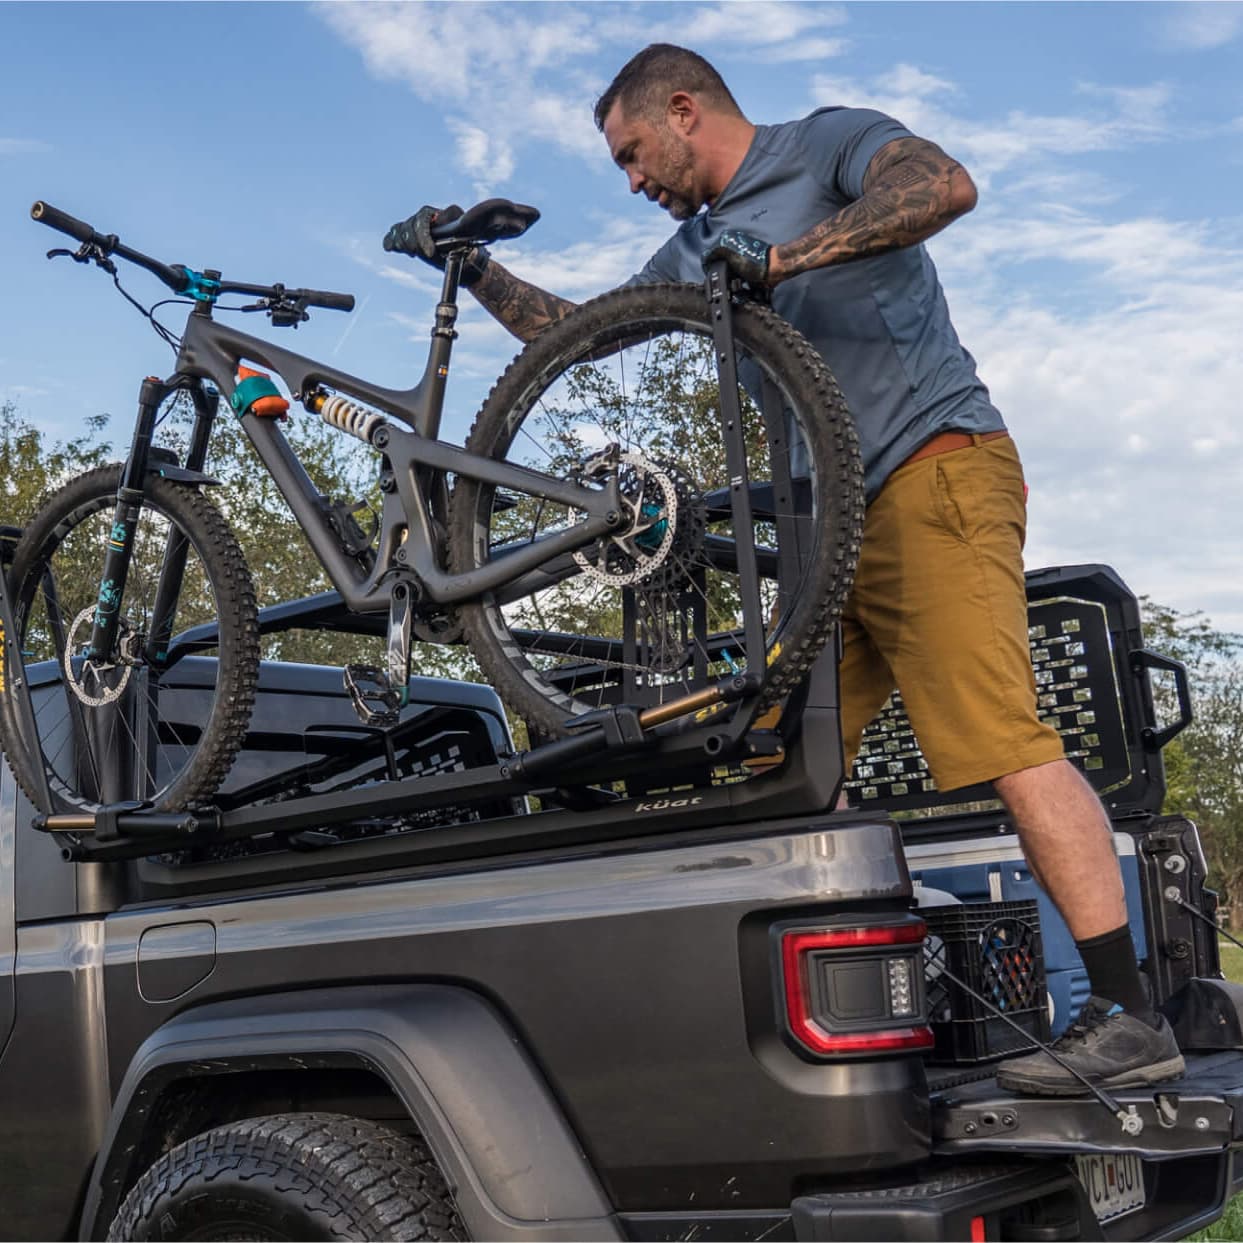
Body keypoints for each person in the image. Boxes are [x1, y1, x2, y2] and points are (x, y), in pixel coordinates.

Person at [383, 43, 1183, 1096]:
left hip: (933, 473)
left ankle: (1129, 1016)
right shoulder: (692, 245)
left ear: (682, 110)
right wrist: (471, 267)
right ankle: (848, 1019)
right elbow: (579, 337)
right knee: (786, 763)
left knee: (998, 736)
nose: (632, 182)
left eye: (631, 154)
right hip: (829, 531)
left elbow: (942, 185)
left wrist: (780, 262)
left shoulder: (826, 144)